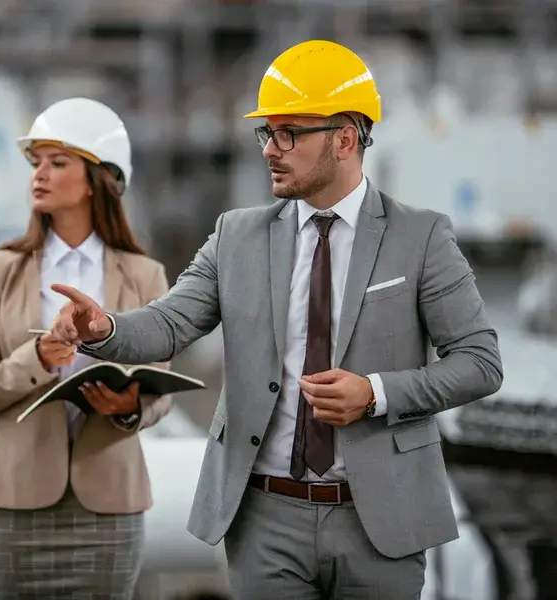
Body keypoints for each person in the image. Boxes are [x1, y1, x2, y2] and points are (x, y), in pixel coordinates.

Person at [49, 41, 504, 600]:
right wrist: (106, 330)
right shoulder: (235, 235)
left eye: (289, 132)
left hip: (382, 520)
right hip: (266, 519)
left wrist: (376, 393)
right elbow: (171, 324)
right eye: (266, 132)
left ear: (344, 137)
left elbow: (481, 362)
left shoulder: (422, 237)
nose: (270, 149)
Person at [0, 97, 172, 600]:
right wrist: (37, 360)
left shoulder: (145, 276)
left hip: (110, 509)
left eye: (58, 162)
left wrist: (128, 408)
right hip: (15, 506)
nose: (40, 174)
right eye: (37, 163)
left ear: (101, 178)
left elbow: (161, 386)